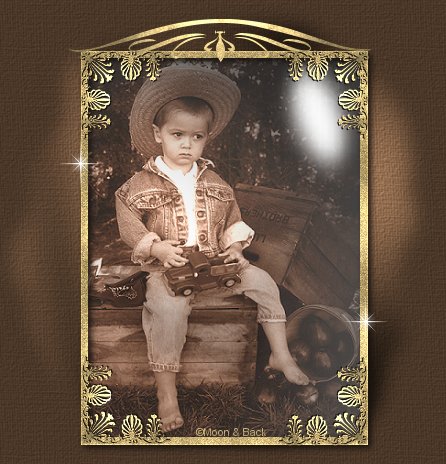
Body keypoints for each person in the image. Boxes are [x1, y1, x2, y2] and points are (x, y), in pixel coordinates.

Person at [115, 63, 309, 433]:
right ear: (158, 134)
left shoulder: (216, 182)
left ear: (206, 138)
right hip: (169, 268)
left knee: (264, 283)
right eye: (177, 134)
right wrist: (156, 249)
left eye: (197, 136)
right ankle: (166, 391)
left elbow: (231, 218)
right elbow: (128, 219)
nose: (187, 144)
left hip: (213, 262)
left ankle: (281, 355)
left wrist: (234, 248)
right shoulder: (139, 184)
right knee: (167, 311)